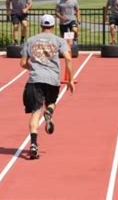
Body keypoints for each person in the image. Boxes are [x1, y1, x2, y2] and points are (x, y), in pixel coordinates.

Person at [20, 14, 75, 160]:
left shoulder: (30, 40)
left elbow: (23, 63)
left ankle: (33, 144)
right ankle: (49, 112)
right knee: (51, 102)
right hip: (52, 79)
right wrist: (70, 79)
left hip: (35, 79)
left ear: (40, 25)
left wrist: (33, 68)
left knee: (35, 113)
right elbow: (68, 58)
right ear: (53, 26)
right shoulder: (59, 40)